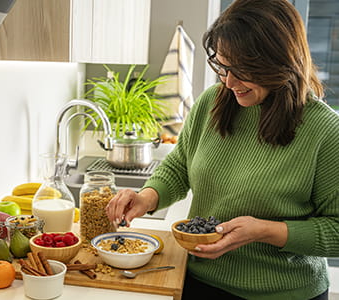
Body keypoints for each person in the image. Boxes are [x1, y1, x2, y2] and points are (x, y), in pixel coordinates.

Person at [105, 0, 339, 299]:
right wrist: (146, 197)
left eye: (242, 70)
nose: (229, 81)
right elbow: (180, 166)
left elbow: (336, 230)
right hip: (197, 279)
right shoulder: (212, 102)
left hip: (284, 292)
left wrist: (263, 230)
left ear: (281, 62)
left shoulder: (326, 131)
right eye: (223, 66)